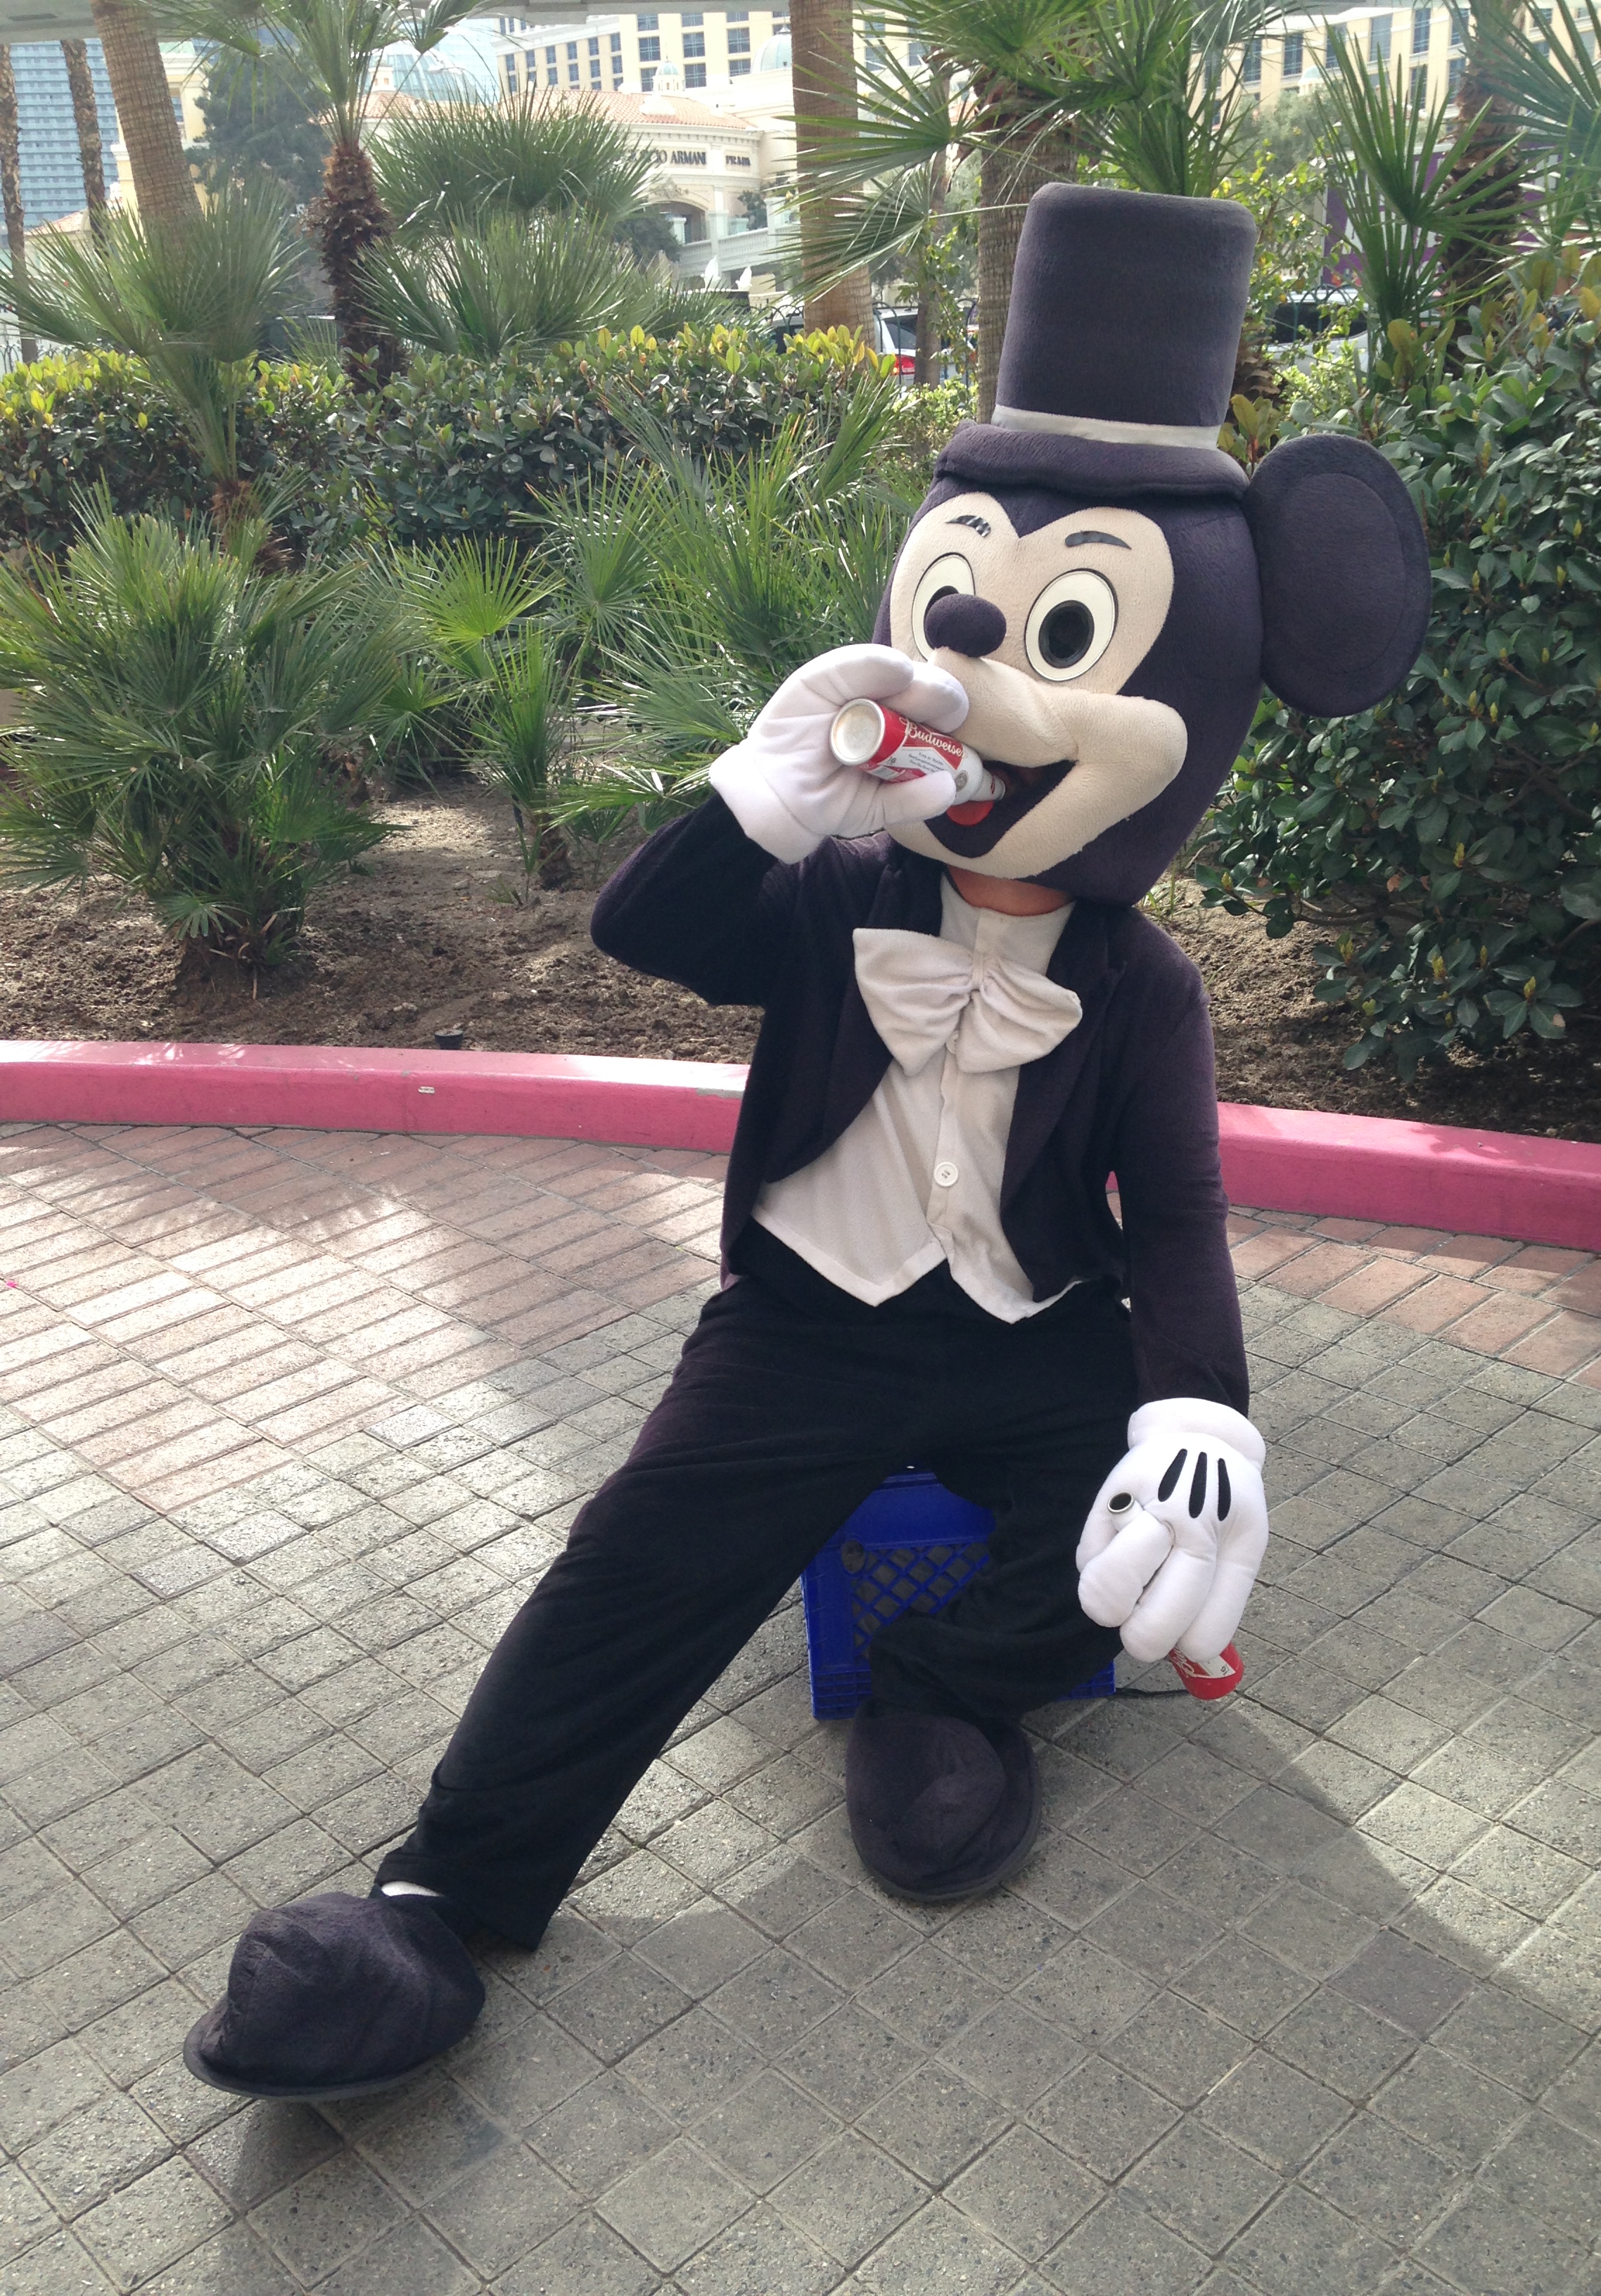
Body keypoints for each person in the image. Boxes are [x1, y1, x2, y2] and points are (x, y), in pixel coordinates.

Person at [184, 184, 1430, 2102]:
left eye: (1068, 633)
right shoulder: (839, 890)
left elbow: (1176, 1216)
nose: (985, 669)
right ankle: (444, 1893)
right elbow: (647, 933)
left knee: (1131, 1525)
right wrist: (750, 804)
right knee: (635, 1560)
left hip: (1031, 1327)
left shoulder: (1143, 986)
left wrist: (1204, 1409)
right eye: (961, 608)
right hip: (806, 1324)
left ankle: (945, 1685)